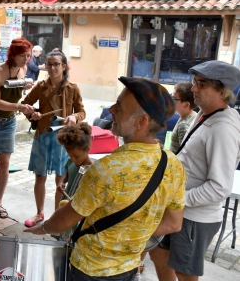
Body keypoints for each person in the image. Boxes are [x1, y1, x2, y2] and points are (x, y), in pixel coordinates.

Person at [25, 76, 186, 281]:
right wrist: (130, 236)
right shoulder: (173, 165)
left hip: (89, 268)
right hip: (129, 268)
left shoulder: (105, 169)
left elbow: (64, 220)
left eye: (119, 107)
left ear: (141, 122)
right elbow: (173, 223)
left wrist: (44, 228)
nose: (111, 110)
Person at [150, 60, 240, 281]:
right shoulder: (205, 115)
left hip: (195, 217)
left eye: (201, 84)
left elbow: (219, 188)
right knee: (159, 253)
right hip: (181, 210)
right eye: (194, 82)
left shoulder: (223, 128)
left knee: (185, 273)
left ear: (221, 91)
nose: (193, 89)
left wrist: (177, 199)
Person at [21, 49, 86, 227]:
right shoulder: (41, 87)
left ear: (64, 66)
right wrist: (32, 114)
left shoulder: (73, 89)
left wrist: (74, 118)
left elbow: (82, 111)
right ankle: (39, 213)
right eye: (49, 64)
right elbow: (25, 105)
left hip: (63, 140)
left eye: (56, 64)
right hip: (43, 137)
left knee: (60, 180)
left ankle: (57, 216)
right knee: (40, 177)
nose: (52, 68)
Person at [0, 37, 35, 219]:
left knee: (5, 164)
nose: (26, 59)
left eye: (28, 55)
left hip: (8, 121)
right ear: (13, 54)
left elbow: (14, 94)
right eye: (23, 55)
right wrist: (19, 107)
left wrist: (25, 87)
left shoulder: (23, 69)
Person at [54, 122, 93, 243]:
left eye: (77, 156)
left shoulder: (93, 170)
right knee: (62, 239)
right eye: (70, 156)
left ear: (87, 149)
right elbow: (66, 173)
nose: (74, 159)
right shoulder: (72, 162)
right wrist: (61, 182)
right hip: (65, 207)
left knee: (74, 240)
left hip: (78, 213)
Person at [169, 82, 196, 153]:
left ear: (186, 105)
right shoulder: (193, 116)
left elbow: (184, 154)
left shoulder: (184, 125)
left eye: (174, 98)